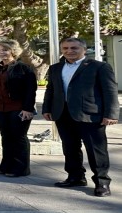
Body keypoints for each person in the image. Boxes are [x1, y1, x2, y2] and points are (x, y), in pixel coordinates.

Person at [43, 37, 119, 197]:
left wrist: (111, 114)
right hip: (62, 114)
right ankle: (75, 177)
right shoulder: (56, 68)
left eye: (74, 48)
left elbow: (110, 91)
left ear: (84, 49)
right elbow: (51, 89)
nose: (69, 51)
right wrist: (47, 108)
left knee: (96, 150)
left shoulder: (99, 67)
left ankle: (102, 182)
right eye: (65, 48)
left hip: (90, 115)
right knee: (70, 148)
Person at [0, 39, 37, 177]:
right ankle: (6, 164)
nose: (1, 53)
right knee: (6, 137)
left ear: (13, 51)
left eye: (4, 50)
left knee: (18, 137)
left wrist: (28, 109)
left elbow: (31, 90)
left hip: (18, 108)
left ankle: (21, 168)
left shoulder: (24, 68)